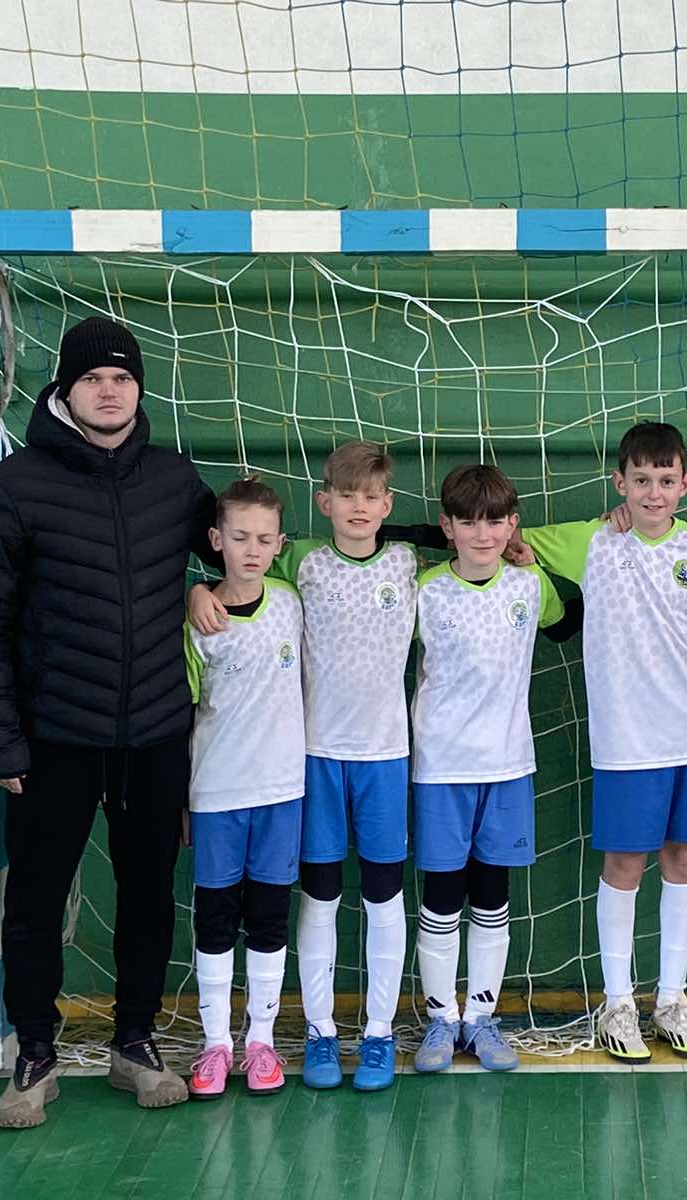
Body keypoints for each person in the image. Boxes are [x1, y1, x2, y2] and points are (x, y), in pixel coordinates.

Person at [0, 316, 211, 1128]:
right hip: (51, 739)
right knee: (34, 901)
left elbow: (243, 549)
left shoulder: (175, 481)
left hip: (155, 734)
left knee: (148, 897)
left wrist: (203, 587)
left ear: (139, 389)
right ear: (65, 390)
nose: (109, 391)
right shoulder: (14, 487)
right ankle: (35, 1052)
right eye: (92, 378)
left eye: (122, 378)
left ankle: (135, 1042)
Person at [188, 440, 444, 1093]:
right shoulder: (297, 562)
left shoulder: (411, 562)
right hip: (312, 760)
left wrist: (519, 548)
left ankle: (380, 1033)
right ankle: (320, 1031)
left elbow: (478, 549)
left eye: (371, 497)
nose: (359, 507)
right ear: (324, 501)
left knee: (385, 896)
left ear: (387, 504)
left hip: (385, 758)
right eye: (346, 495)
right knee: (319, 898)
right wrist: (195, 591)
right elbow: (235, 575)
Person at [514, 423, 687, 1062]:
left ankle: (672, 1000)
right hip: (627, 738)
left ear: (685, 484)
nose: (653, 493)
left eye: (666, 481)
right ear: (619, 483)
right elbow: (513, 542)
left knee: (683, 859)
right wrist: (523, 557)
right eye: (641, 480)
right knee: (627, 863)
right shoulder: (593, 540)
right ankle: (617, 1004)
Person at [409, 465, 572, 1074]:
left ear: (512, 525)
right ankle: (440, 1020)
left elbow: (569, 621)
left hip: (507, 765)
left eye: (496, 521)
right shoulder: (424, 591)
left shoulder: (529, 585)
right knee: (442, 897)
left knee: (492, 896)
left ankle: (479, 1018)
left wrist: (538, 563)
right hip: (440, 766)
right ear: (447, 526)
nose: (484, 534)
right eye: (469, 522)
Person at [182, 479, 305, 1100]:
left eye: (263, 539)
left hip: (282, 791)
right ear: (216, 540)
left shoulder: (291, 602)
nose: (251, 550)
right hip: (216, 794)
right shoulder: (198, 621)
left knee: (268, 916)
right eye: (239, 537)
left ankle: (260, 1039)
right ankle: (215, 1043)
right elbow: (182, 713)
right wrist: (193, 594)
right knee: (215, 917)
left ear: (279, 544)